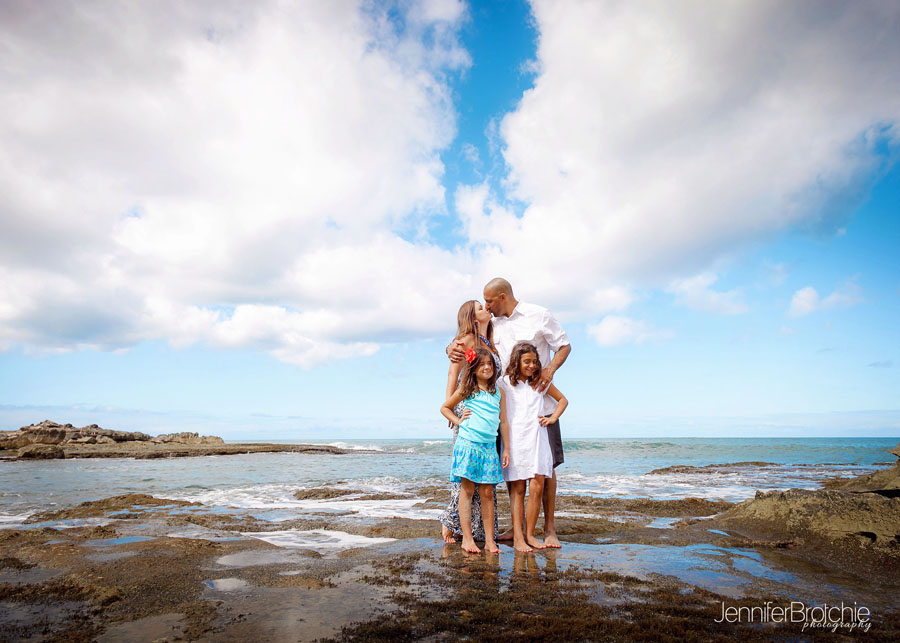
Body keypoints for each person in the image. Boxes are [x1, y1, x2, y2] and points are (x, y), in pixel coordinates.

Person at [449, 278, 571, 548]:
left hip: (540, 405)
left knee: (546, 469)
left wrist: (549, 370)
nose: (487, 307)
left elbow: (564, 345)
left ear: (502, 296)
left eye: (489, 301)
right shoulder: (492, 325)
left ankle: (548, 529)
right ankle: (518, 531)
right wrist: (451, 348)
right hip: (505, 410)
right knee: (513, 471)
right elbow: (471, 344)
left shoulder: (538, 315)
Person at [438, 301, 502, 544]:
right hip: (469, 405)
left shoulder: (489, 342)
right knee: (466, 474)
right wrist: (451, 407)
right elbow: (452, 373)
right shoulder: (466, 339)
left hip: (489, 406)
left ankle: (480, 532)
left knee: (483, 477)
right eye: (479, 306)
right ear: (472, 317)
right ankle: (451, 522)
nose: (485, 307)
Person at [441, 348, 510, 554]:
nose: (487, 367)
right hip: (468, 444)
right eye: (482, 364)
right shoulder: (467, 390)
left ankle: (490, 540)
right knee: (467, 490)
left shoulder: (499, 392)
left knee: (487, 492)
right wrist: (458, 421)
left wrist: (505, 449)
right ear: (473, 368)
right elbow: (445, 408)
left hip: (489, 448)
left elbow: (503, 422)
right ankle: (467, 539)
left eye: (490, 364)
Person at [501, 342, 568, 552]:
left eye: (534, 361)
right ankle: (518, 537)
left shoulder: (540, 382)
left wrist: (552, 418)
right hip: (515, 438)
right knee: (518, 488)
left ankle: (530, 535)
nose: (531, 365)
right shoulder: (504, 383)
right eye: (526, 361)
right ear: (517, 362)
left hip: (537, 438)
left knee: (537, 485)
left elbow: (563, 400)